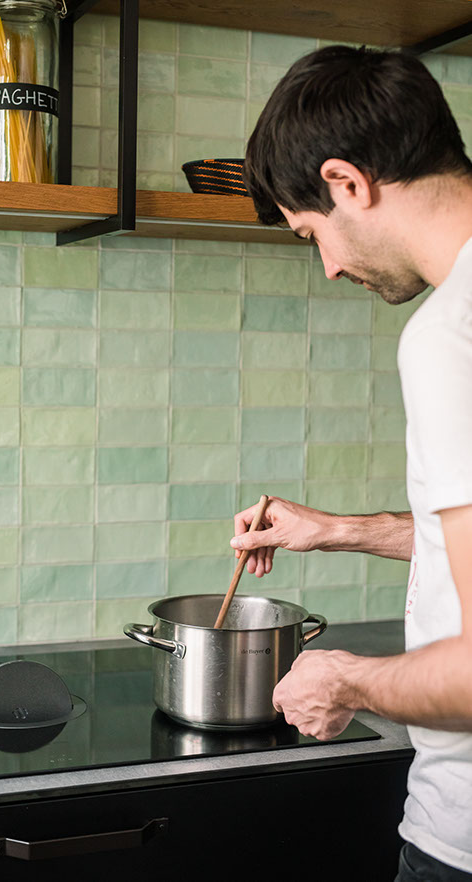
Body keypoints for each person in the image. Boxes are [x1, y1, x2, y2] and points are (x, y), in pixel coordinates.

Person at [231, 45, 472, 881]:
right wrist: (340, 531)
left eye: (312, 234)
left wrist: (345, 681)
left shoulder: (450, 336)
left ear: (346, 182)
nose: (330, 266)